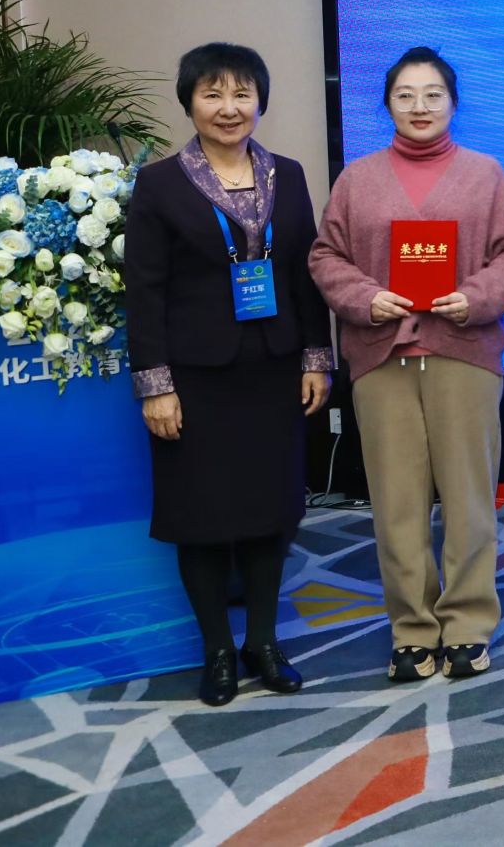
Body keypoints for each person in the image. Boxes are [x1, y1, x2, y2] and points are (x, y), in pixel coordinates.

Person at [309, 47, 504, 681]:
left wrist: (477, 298)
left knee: (469, 500)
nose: (419, 106)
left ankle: (466, 624)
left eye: (433, 94)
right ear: (386, 104)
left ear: (454, 103)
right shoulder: (357, 180)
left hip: (464, 353)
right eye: (405, 95)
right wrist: (365, 299)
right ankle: (411, 629)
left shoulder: (485, 175)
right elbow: (326, 257)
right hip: (382, 359)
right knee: (396, 504)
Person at [124, 43, 334, 706]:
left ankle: (263, 643)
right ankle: (217, 649)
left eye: (242, 93)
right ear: (189, 101)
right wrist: (155, 385)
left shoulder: (287, 176)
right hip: (195, 378)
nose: (228, 107)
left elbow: (304, 274)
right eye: (212, 93)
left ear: (260, 101)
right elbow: (144, 291)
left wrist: (316, 358)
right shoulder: (161, 183)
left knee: (272, 512)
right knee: (203, 516)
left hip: (273, 370)